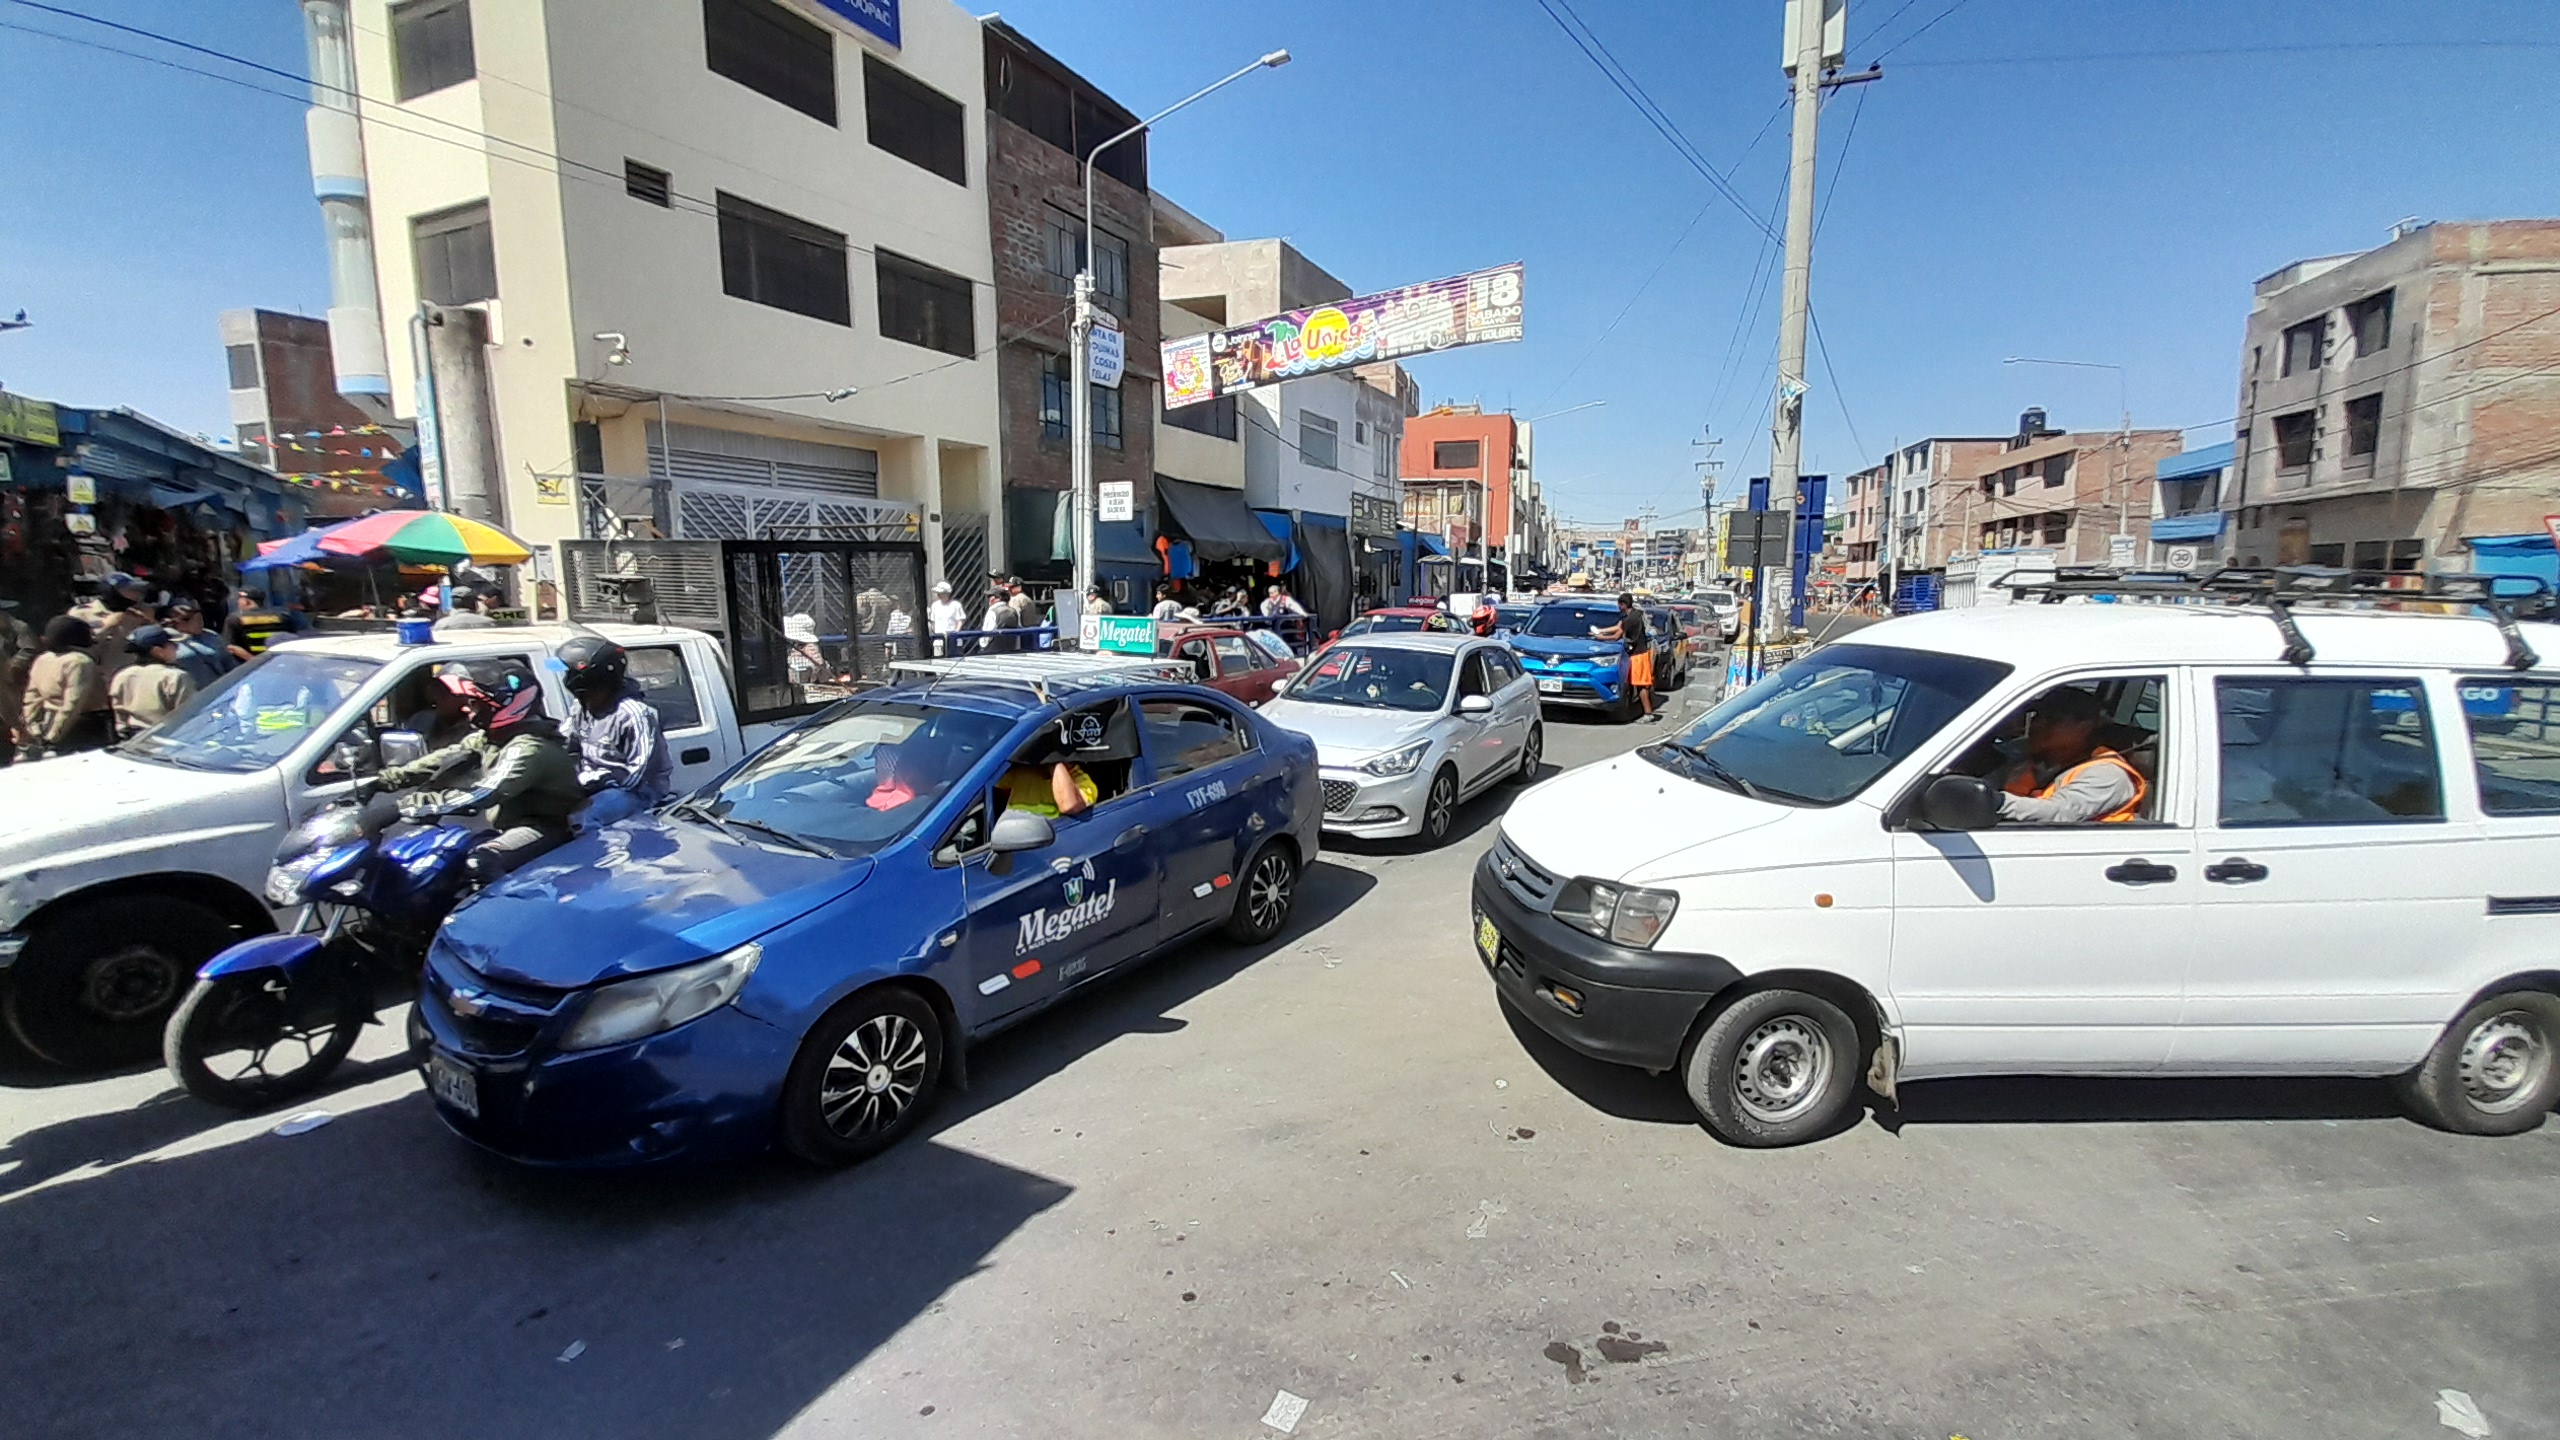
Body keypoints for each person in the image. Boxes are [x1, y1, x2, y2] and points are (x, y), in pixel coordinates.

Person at [382, 687, 588, 884]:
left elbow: (482, 793)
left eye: (476, 703)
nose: (467, 708)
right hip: (509, 823)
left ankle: (503, 918)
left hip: (545, 827)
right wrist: (386, 779)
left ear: (504, 707)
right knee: (442, 855)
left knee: (480, 861)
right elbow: (445, 758)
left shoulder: (528, 748)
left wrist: (407, 806)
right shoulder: (494, 737)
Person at [556, 635, 672, 827]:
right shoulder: (581, 707)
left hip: (637, 791)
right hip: (591, 782)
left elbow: (637, 775)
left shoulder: (635, 715)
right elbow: (566, 742)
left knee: (584, 818)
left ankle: (597, 856)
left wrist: (599, 782)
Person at [1991, 686, 2147, 824]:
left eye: (2052, 719)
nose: (2038, 724)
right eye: (2036, 716)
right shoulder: (2024, 753)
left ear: (2084, 727)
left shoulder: (2108, 774)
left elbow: (2060, 813)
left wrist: (1995, 802)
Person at [24, 617, 110, 759]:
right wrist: (54, 737)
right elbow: (73, 702)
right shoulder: (79, 662)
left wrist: (33, 727)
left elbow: (32, 697)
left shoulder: (43, 659)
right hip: (84, 726)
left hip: (49, 721)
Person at [108, 625, 196, 740]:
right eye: (173, 645)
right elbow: (188, 714)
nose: (177, 648)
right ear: (158, 651)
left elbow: (120, 714)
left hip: (132, 740)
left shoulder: (123, 675)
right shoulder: (175, 677)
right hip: (167, 740)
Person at [73, 572, 153, 691]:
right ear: (112, 591)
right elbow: (78, 649)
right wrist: (106, 626)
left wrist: (151, 624)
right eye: (129, 591)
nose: (136, 595)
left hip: (133, 681)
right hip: (99, 684)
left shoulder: (134, 616)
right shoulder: (82, 613)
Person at [1589, 592, 1657, 723]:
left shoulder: (1630, 620)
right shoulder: (1636, 614)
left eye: (1619, 605)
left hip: (1638, 655)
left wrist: (1600, 637)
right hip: (1640, 654)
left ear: (1624, 605)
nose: (1618, 607)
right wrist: (1600, 630)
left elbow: (1616, 636)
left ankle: (1648, 714)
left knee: (1641, 686)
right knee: (1638, 685)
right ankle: (1645, 712)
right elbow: (1618, 627)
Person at [401, 669, 495, 753]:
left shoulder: (475, 734)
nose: (438, 696)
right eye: (437, 690)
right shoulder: (420, 721)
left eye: (446, 692)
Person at [159, 598, 236, 689]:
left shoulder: (211, 635)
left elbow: (230, 663)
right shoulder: (169, 643)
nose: (198, 621)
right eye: (188, 618)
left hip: (224, 689)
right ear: (175, 621)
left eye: (199, 615)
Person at [0, 599, 40, 765]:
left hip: (14, 679)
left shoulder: (18, 628)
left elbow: (29, 649)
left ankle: (26, 743)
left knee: (16, 712)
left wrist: (12, 666)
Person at [998, 756, 1095, 819]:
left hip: (1051, 836)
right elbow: (994, 781)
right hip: (1013, 831)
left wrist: (1054, 760)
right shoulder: (1025, 772)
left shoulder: (1081, 779)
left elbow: (1069, 805)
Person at [224, 587, 306, 661]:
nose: (238, 602)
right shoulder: (283, 617)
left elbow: (231, 648)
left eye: (240, 599)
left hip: (249, 668)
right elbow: (293, 642)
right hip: (280, 663)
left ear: (246, 602)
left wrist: (253, 660)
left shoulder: (235, 619)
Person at [927, 580, 968, 657]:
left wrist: (955, 632)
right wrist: (934, 632)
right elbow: (933, 621)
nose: (939, 595)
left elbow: (960, 620)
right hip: (939, 640)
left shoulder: (956, 605)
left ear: (947, 594)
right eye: (938, 593)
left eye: (941, 593)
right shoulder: (935, 605)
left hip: (953, 639)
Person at [978, 588, 1016, 654]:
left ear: (996, 598)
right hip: (1010, 647)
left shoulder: (992, 612)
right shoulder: (1013, 611)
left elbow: (988, 632)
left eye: (989, 596)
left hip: (992, 648)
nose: (989, 599)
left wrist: (983, 646)